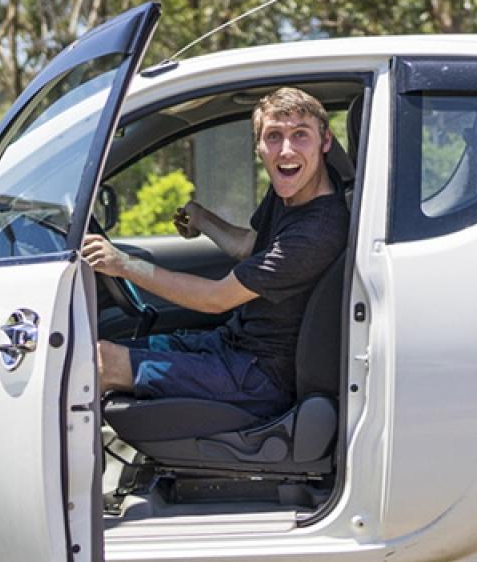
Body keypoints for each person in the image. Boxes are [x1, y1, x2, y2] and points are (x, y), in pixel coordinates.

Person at [80, 87, 349, 419]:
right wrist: (202, 218)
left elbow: (215, 299)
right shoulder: (292, 190)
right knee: (93, 355)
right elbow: (250, 246)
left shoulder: (317, 230)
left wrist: (122, 264)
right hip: (235, 345)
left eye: (300, 135)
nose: (286, 150)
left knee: (102, 362)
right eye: (274, 136)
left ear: (325, 142)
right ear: (259, 147)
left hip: (260, 378)